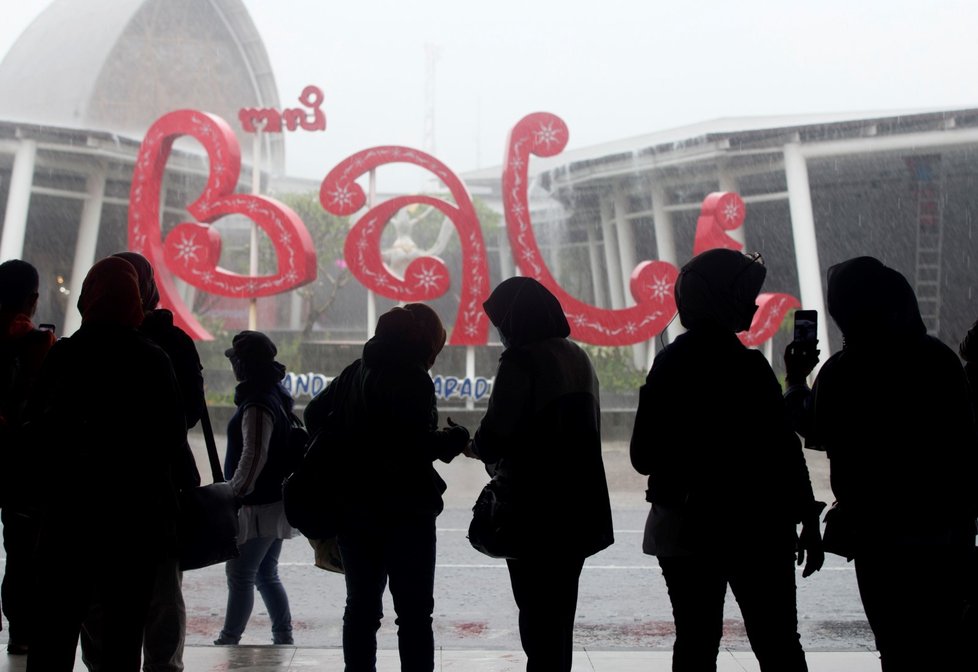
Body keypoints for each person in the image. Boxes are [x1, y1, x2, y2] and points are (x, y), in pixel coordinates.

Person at [630, 249, 824, 672]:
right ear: (724, 299)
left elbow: (642, 457)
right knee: (777, 643)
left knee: (696, 643)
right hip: (757, 530)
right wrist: (807, 519)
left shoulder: (668, 366)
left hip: (686, 529)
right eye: (746, 295)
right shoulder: (750, 368)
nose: (754, 303)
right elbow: (785, 453)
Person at [784, 255, 978, 671]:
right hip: (945, 534)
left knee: (895, 645)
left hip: (876, 537)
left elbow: (811, 427)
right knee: (946, 641)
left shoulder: (843, 371)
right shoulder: (940, 362)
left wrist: (796, 379)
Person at [23, 257, 191, 671]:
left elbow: (37, 430)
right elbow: (171, 438)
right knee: (122, 636)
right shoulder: (152, 359)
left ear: (88, 297)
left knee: (54, 633)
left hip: (67, 518)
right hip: (132, 525)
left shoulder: (65, 356)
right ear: (137, 300)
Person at [302, 303, 470, 672]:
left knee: (361, 609)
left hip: (353, 508)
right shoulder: (413, 377)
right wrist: (455, 438)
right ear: (427, 340)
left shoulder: (356, 369)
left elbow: (313, 415)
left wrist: (347, 447)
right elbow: (414, 446)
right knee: (413, 614)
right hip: (406, 512)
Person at [466, 277, 614, 672]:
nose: (501, 332)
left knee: (535, 614)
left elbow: (497, 433)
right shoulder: (577, 356)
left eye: (501, 323)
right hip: (579, 507)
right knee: (559, 614)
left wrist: (468, 444)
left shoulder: (521, 361)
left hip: (535, 510)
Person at [80, 251, 204, 672]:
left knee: (97, 601)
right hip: (152, 496)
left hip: (86, 497)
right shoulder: (166, 347)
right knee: (160, 595)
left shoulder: (70, 353)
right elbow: (183, 419)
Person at [214, 330, 297, 646]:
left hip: (256, 506)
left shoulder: (257, 402)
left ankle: (229, 638)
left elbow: (253, 453)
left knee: (240, 576)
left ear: (244, 365)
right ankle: (283, 635)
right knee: (264, 574)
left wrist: (234, 493)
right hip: (271, 503)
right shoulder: (272, 394)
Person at [0, 259, 56, 655]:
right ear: (33, 299)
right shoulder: (34, 344)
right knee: (25, 548)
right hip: (24, 466)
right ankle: (24, 631)